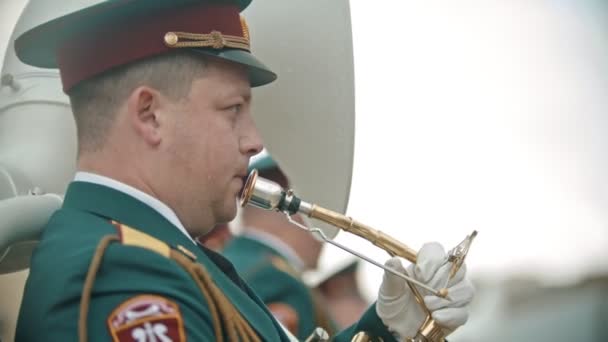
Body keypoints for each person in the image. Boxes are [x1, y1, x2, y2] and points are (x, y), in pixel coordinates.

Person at [13, 0, 475, 341]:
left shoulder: (165, 256)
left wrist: (389, 328)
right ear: (150, 115)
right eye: (233, 109)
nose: (254, 140)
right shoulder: (125, 276)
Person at [222, 154, 337, 339]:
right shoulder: (275, 278)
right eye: (322, 211)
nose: (330, 227)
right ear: (299, 210)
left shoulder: (229, 261)